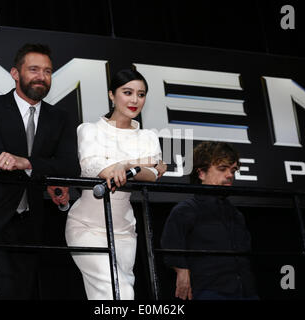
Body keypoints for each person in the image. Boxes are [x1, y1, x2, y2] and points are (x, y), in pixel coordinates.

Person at [0, 43, 79, 299]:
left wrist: (26, 162)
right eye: (34, 69)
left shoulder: (60, 118)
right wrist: (42, 167)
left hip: (30, 226)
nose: (42, 77)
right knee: (0, 292)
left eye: (47, 71)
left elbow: (70, 166)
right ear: (15, 73)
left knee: (21, 293)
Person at [64, 69, 166, 300]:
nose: (134, 100)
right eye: (127, 92)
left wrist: (127, 165)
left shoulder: (148, 136)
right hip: (86, 227)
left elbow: (153, 175)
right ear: (112, 95)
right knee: (121, 293)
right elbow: (96, 169)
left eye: (141, 94)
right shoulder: (89, 130)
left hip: (125, 232)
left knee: (108, 297)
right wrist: (139, 165)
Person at [160, 141, 258, 300]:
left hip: (247, 292)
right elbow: (170, 248)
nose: (229, 175)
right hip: (208, 292)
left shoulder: (236, 214)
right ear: (201, 173)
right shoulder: (185, 210)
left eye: (233, 170)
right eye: (222, 169)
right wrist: (181, 270)